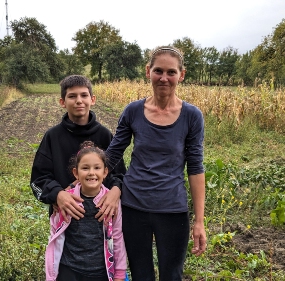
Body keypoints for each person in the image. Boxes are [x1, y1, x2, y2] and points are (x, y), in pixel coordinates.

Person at [105, 46, 207, 281]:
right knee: (141, 274)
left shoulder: (192, 116)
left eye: (171, 72)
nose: (164, 78)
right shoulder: (133, 111)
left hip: (172, 208)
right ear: (148, 71)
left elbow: (195, 166)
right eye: (158, 71)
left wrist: (199, 221)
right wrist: (82, 182)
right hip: (133, 206)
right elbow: (112, 155)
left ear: (181, 75)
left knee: (172, 275)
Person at [30, 74, 126, 222]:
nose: (79, 101)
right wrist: (58, 195)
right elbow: (38, 179)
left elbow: (119, 175)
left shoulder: (105, 135)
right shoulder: (53, 137)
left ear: (92, 99)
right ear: (63, 102)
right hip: (66, 219)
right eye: (72, 96)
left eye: (84, 95)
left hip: (101, 218)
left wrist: (116, 191)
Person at [45, 141, 127, 281]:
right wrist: (51, 275)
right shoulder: (67, 200)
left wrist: (119, 273)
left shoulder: (112, 202)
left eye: (97, 168)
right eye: (85, 168)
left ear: (105, 172)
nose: (91, 173)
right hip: (69, 269)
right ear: (76, 173)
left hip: (100, 271)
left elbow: (118, 238)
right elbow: (55, 234)